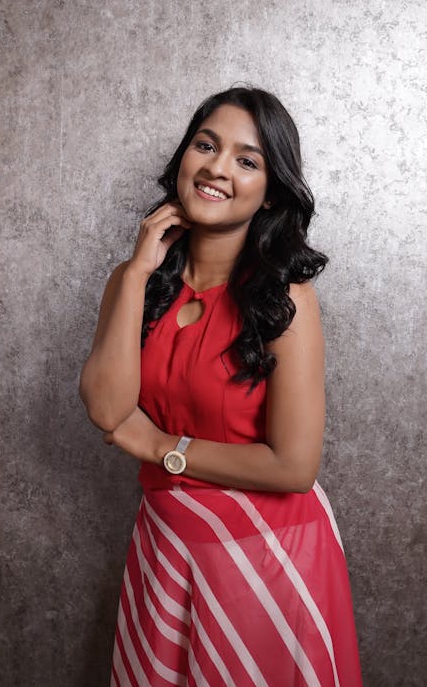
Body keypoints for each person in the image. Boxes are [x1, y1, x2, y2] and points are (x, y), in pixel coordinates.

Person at [79, 86, 363, 686]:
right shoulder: (135, 284)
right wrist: (136, 273)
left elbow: (294, 467)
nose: (216, 168)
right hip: (166, 541)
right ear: (184, 157)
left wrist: (162, 447)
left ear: (270, 195)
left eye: (247, 159)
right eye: (205, 145)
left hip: (265, 553)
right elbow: (108, 410)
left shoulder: (284, 301)